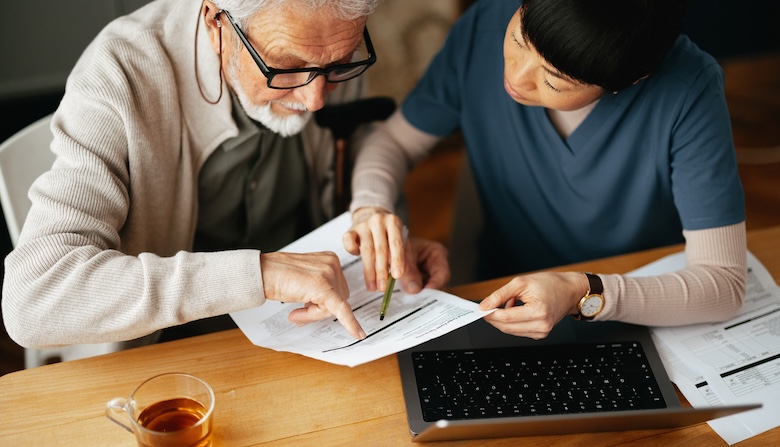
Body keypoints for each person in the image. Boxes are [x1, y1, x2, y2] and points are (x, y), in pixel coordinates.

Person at [2, 0, 448, 350]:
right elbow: (34, 298)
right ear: (217, 23)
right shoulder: (122, 71)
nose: (316, 100)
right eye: (286, 67)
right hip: (171, 350)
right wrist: (261, 273)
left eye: (337, 65)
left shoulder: (323, 48)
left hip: (309, 331)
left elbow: (356, 145)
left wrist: (374, 235)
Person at [344, 0, 747, 339]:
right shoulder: (488, 20)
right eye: (519, 40)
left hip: (644, 309)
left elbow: (723, 285)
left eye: (554, 79)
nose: (516, 76)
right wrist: (371, 207)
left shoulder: (687, 88)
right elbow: (393, 141)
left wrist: (581, 292)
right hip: (501, 298)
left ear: (631, 79)